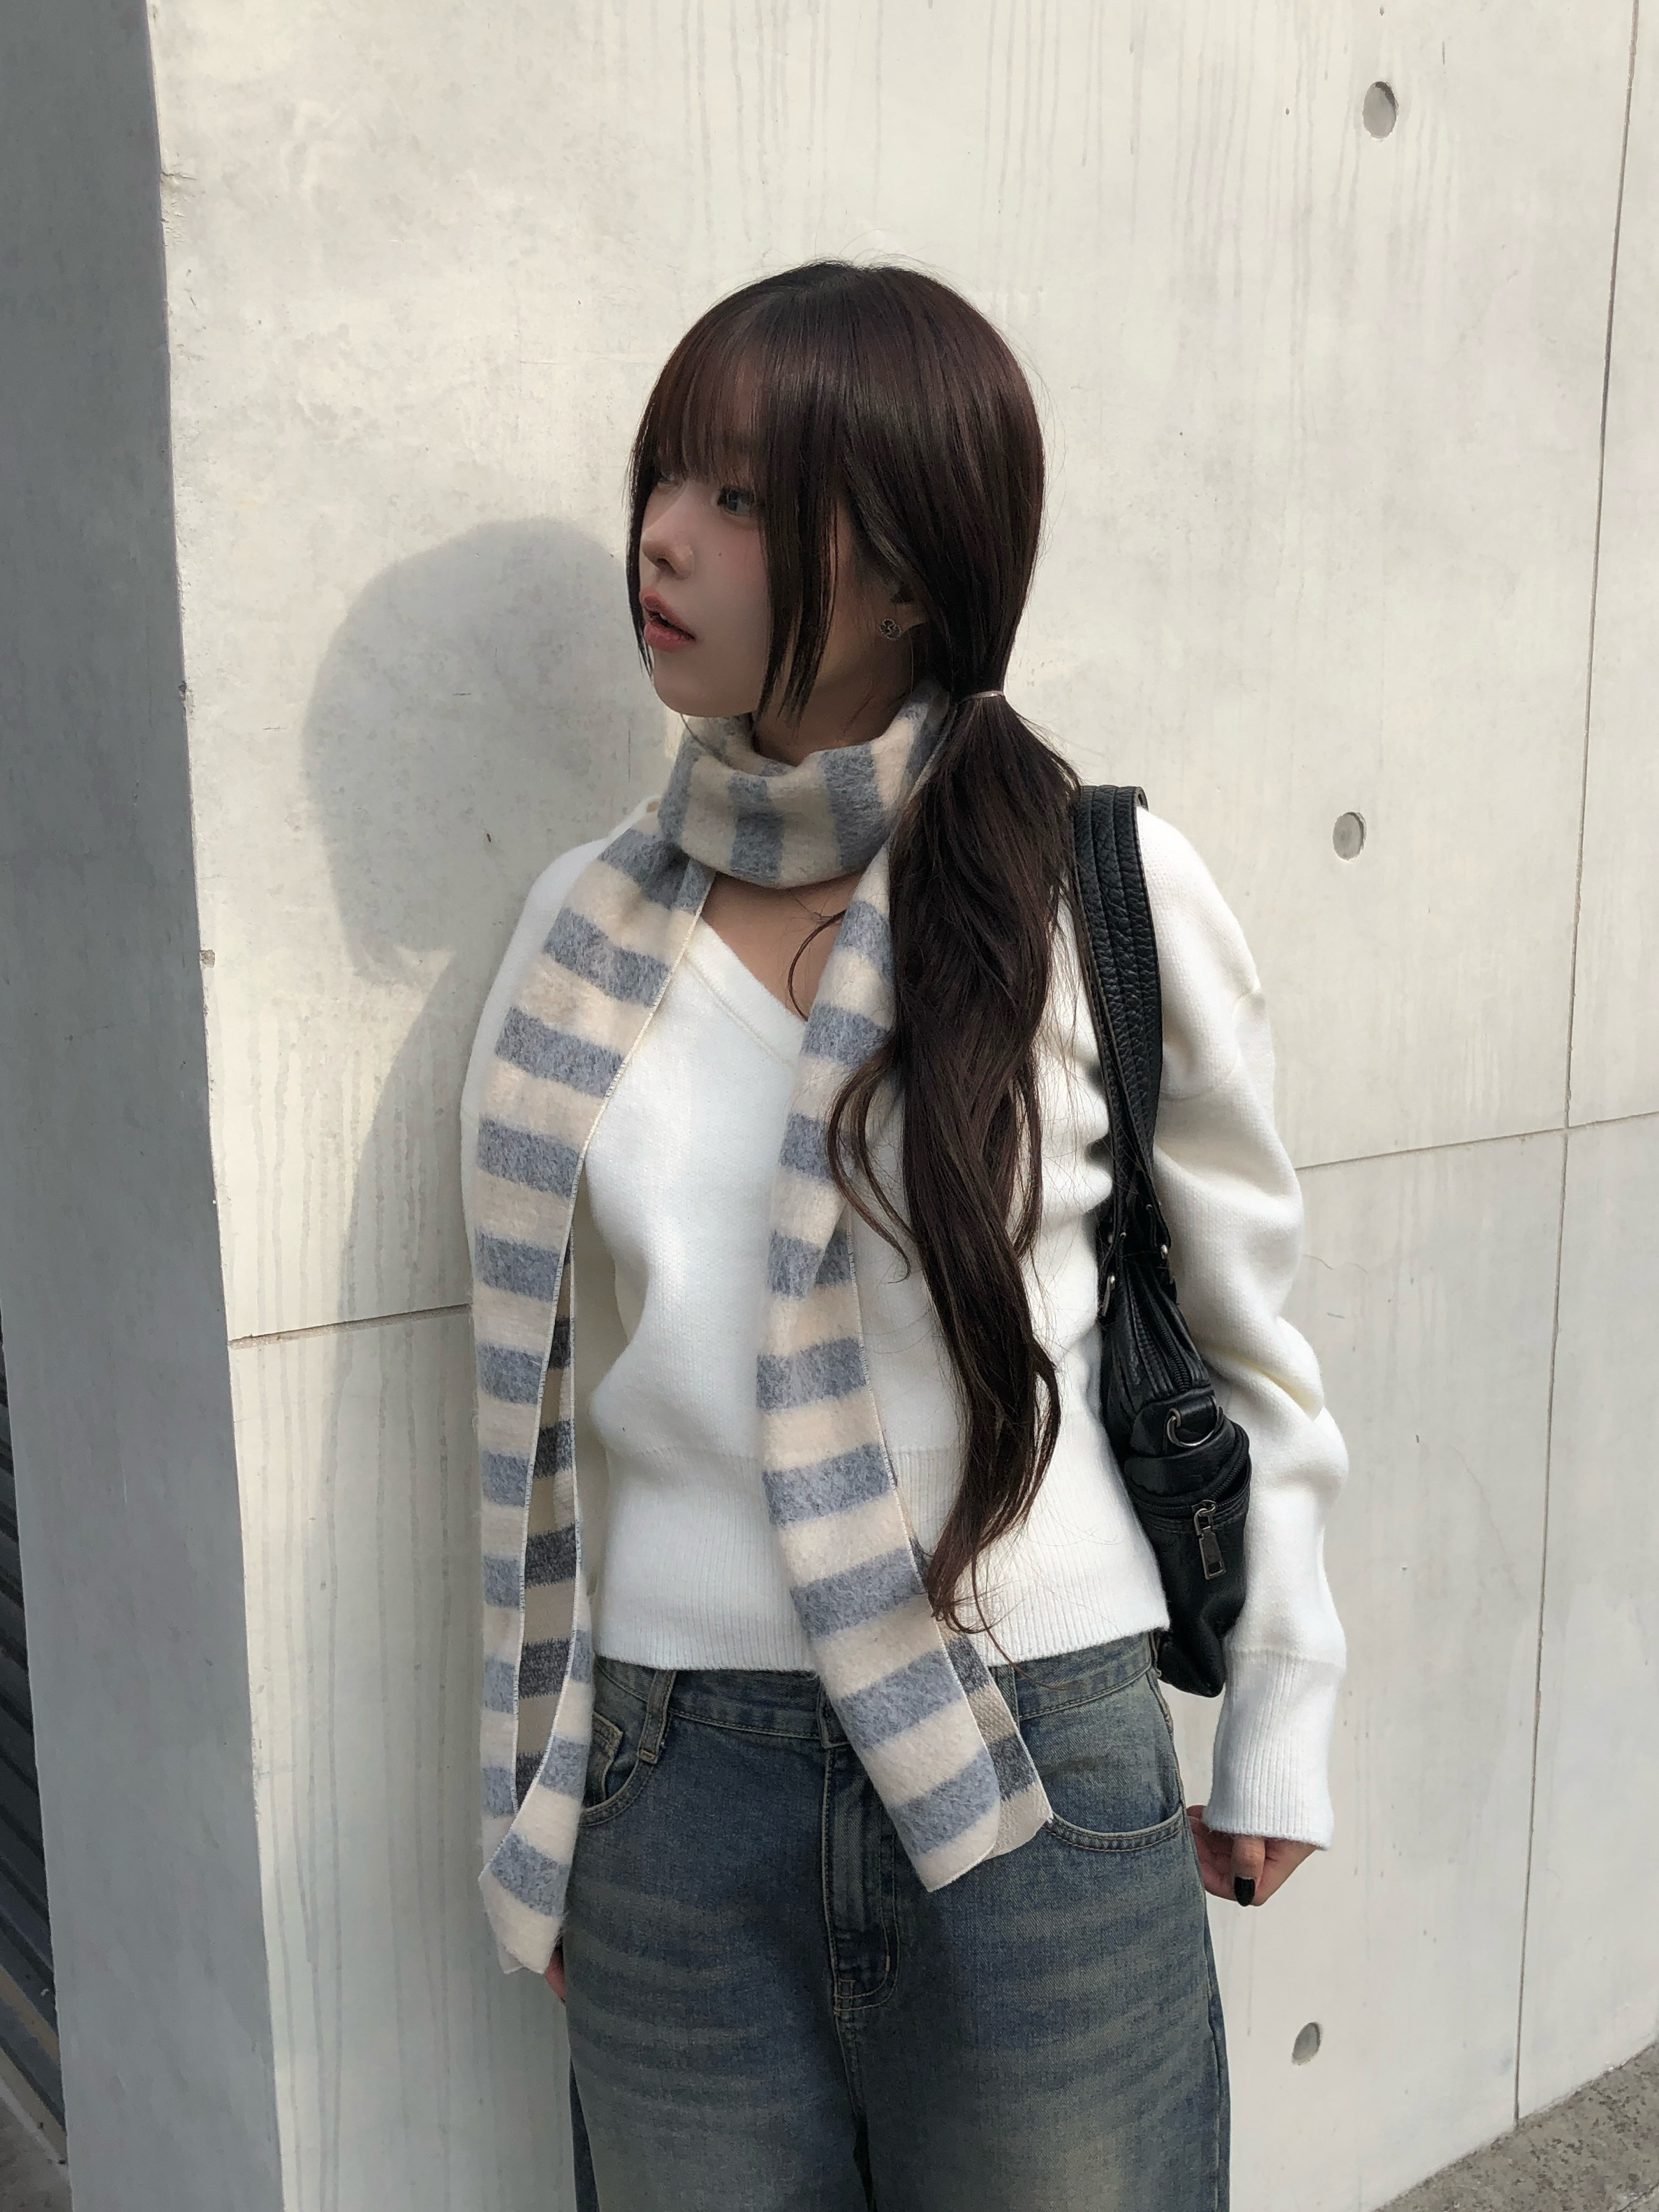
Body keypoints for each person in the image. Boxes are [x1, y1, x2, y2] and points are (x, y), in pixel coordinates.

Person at [459, 260, 1347, 2212]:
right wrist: (560, 1795)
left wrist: (1280, 1708)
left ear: (918, 573)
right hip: (672, 1788)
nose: (663, 540)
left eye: (744, 498)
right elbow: (550, 1427)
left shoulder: (1095, 889)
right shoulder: (582, 936)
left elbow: (1247, 1336)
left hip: (1035, 1747)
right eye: (663, 479)